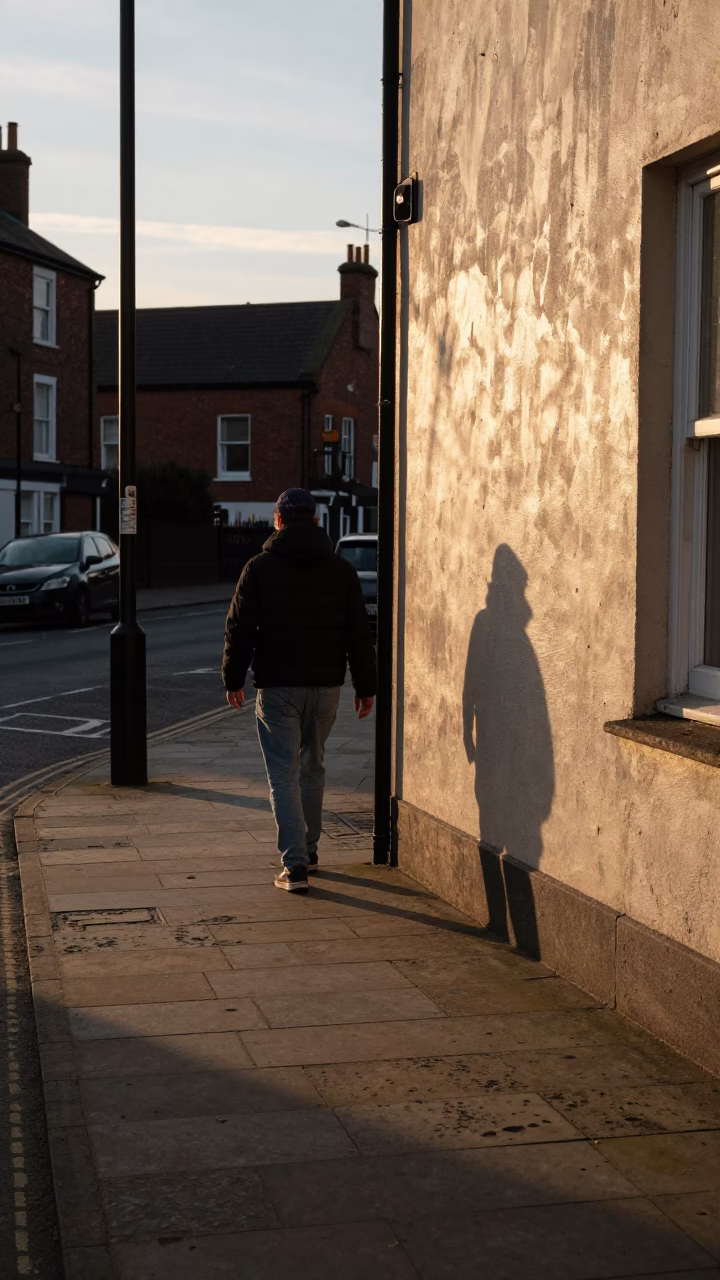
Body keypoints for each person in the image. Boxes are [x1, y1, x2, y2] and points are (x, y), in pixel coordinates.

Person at [222, 488, 377, 893]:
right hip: (326, 686)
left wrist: (232, 679)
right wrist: (366, 686)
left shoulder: (259, 568)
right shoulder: (341, 570)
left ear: (277, 521)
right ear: (316, 521)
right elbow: (358, 633)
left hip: (277, 688)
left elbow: (239, 629)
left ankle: (294, 866)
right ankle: (308, 849)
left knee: (283, 774)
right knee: (313, 765)